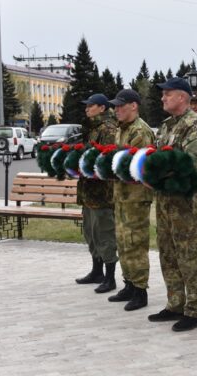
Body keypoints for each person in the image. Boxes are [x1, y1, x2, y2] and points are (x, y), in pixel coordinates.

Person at [148, 77, 197, 332]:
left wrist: (157, 173)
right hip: (164, 201)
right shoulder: (166, 126)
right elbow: (156, 155)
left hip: (185, 203)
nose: (163, 98)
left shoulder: (193, 126)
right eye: (163, 94)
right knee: (168, 254)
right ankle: (175, 303)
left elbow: (190, 166)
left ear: (183, 97)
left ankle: (195, 311)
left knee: (190, 257)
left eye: (168, 94)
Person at [105, 89, 156, 312]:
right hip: (121, 195)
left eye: (120, 106)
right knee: (123, 242)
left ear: (134, 106)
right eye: (115, 106)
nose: (116, 110)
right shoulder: (122, 129)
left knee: (135, 243)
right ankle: (129, 283)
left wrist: (110, 166)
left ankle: (140, 290)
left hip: (136, 197)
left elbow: (137, 165)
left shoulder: (140, 131)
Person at [74, 94, 119, 294]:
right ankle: (97, 271)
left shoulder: (108, 129)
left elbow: (106, 159)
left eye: (90, 106)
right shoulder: (92, 128)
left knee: (104, 234)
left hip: (102, 194)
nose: (86, 109)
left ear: (102, 108)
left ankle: (110, 277)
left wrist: (87, 163)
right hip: (89, 192)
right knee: (91, 233)